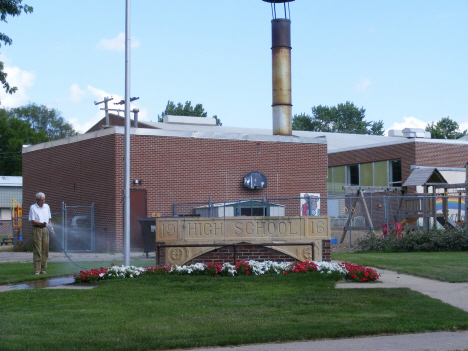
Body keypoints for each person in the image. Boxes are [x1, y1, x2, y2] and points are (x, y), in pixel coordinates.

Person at [29, 192, 55, 275]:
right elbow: (32, 221)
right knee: (38, 250)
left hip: (45, 229)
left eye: (44, 200)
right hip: (37, 229)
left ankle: (43, 270)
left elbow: (49, 219)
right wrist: (41, 224)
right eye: (41, 200)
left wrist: (51, 229)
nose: (43, 202)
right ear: (36, 200)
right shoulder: (33, 207)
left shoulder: (47, 207)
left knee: (45, 249)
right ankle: (37, 270)